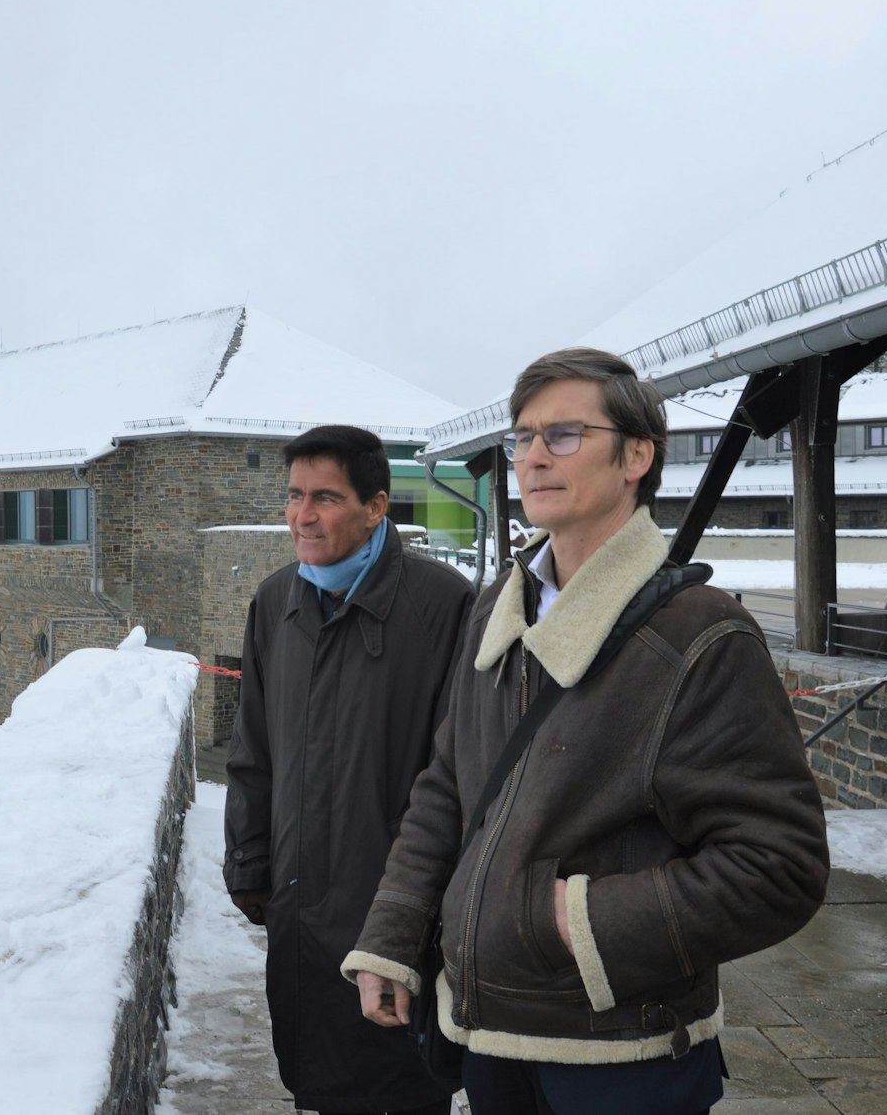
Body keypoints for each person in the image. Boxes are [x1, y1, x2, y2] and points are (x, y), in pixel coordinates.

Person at [342, 348, 830, 1115]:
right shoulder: (496, 605)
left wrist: (579, 921)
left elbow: (780, 865)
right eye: (523, 437)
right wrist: (393, 935)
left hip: (621, 1052)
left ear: (638, 455)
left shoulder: (701, 637)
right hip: (490, 1034)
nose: (532, 456)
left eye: (563, 434)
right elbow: (449, 786)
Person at [225, 424, 477, 1115]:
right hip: (301, 919)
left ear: (377, 506)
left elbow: (462, 780)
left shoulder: (443, 606)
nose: (302, 516)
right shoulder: (276, 602)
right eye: (294, 496)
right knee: (317, 1081)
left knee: (398, 1088)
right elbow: (252, 752)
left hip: (398, 927)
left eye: (326, 498)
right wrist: (250, 868)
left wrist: (431, 923)